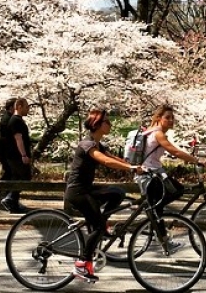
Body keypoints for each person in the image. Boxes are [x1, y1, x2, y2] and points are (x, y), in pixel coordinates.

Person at [65, 109, 143, 283]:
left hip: (87, 189)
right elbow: (105, 160)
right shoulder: (87, 144)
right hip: (78, 192)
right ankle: (82, 264)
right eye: (107, 122)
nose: (110, 124)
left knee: (117, 193)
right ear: (97, 125)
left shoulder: (98, 144)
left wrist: (137, 166)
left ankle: (101, 226)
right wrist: (130, 169)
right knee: (98, 226)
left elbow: (113, 157)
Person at [141, 105, 206, 247]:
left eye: (172, 118)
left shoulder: (152, 132)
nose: (171, 120)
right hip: (150, 174)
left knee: (162, 201)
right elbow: (175, 151)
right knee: (176, 191)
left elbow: (173, 151)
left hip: (153, 172)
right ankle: (157, 226)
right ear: (159, 118)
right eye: (167, 117)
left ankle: (155, 224)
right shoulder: (158, 134)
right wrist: (197, 161)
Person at [1, 98, 33, 214]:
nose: (28, 109)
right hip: (16, 156)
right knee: (25, 177)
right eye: (26, 107)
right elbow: (18, 138)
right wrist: (24, 155)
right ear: (19, 106)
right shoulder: (16, 121)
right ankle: (10, 198)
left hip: (14, 155)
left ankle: (13, 203)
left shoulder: (17, 120)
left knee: (17, 178)